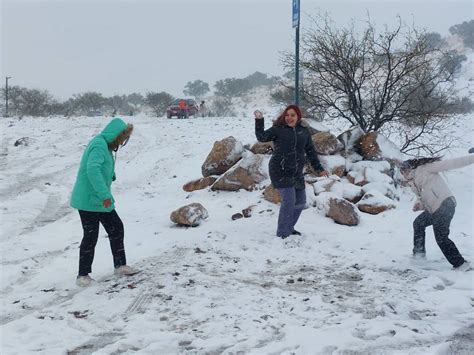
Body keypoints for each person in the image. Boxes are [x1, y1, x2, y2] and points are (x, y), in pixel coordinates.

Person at [71, 117, 139, 287]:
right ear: (115, 135)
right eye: (121, 139)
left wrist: (110, 175)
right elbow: (92, 169)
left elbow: (99, 167)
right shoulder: (99, 146)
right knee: (91, 235)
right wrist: (104, 195)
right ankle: (83, 276)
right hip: (89, 200)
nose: (121, 143)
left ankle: (120, 265)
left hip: (97, 200)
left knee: (116, 227)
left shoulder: (104, 144)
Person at [254, 105, 329, 239]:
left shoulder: (304, 131)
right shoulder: (278, 129)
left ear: (298, 116)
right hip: (279, 169)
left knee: (300, 201)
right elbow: (261, 137)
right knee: (289, 200)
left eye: (292, 115)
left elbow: (310, 152)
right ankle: (283, 232)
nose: (289, 118)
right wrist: (259, 120)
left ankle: (289, 227)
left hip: (296, 172)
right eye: (287, 115)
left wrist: (319, 169)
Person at [399, 154, 474, 270]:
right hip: (434, 210)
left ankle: (461, 264)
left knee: (441, 237)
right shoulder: (412, 182)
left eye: (403, 170)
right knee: (418, 223)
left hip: (445, 204)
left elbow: (453, 163)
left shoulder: (425, 169)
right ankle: (419, 254)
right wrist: (418, 204)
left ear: (410, 168)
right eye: (401, 171)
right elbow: (422, 197)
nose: (402, 174)